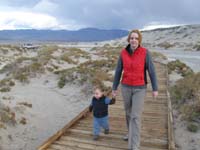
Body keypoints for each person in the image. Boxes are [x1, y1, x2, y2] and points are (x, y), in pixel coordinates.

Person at [112, 29, 158, 150]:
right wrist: (114, 87)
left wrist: (155, 88)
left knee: (135, 116)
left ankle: (134, 145)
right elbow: (118, 71)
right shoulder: (123, 53)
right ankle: (130, 132)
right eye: (132, 38)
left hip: (140, 88)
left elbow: (152, 71)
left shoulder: (145, 52)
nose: (133, 40)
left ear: (139, 40)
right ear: (129, 40)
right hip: (126, 87)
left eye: (136, 38)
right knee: (128, 113)